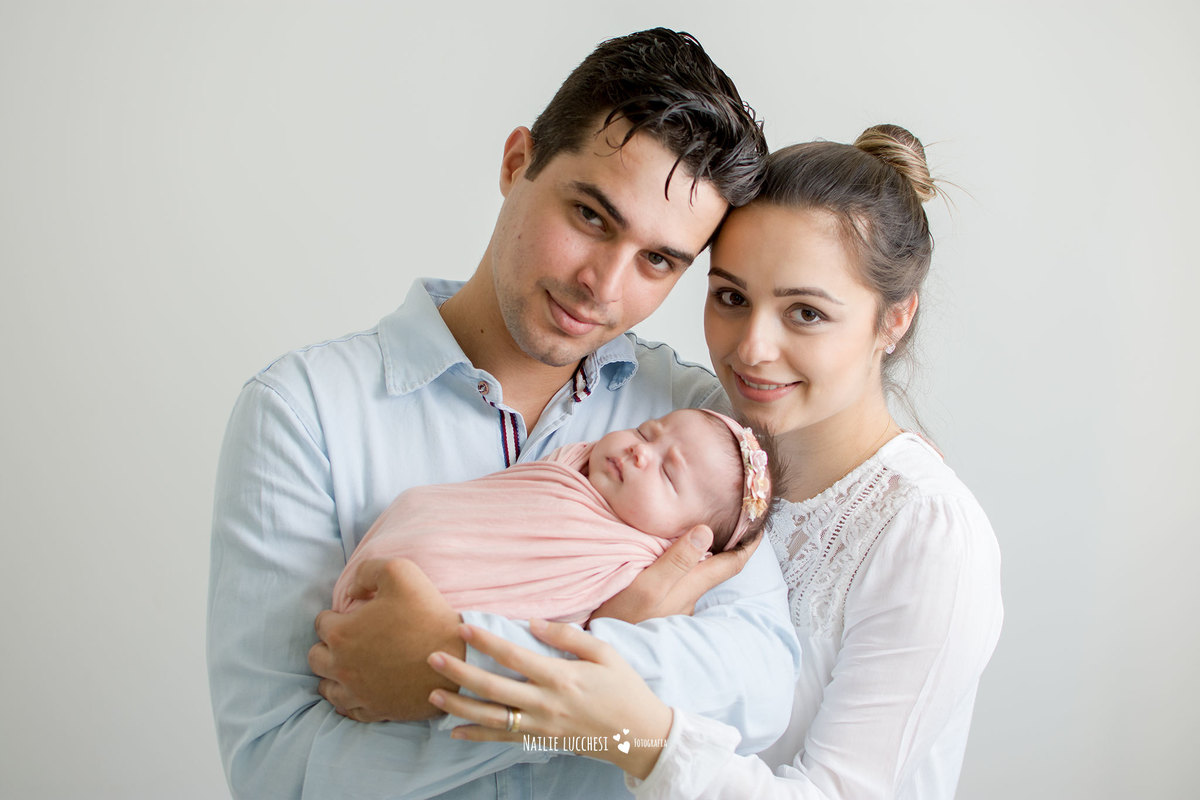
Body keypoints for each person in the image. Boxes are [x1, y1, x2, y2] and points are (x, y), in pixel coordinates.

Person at [207, 28, 801, 800]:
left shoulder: (694, 422)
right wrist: (608, 677)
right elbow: (280, 770)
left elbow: (759, 687)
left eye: (658, 261)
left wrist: (451, 664)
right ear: (517, 161)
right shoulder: (303, 414)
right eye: (591, 216)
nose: (604, 286)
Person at [424, 124, 1005, 799]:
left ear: (893, 320)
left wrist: (634, 734)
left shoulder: (928, 533)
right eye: (731, 297)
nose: (752, 348)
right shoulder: (688, 452)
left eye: (806, 313)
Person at [333, 408, 777, 625]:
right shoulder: (571, 464)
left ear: (689, 541)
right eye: (647, 432)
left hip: (433, 613)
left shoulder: (638, 567)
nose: (640, 451)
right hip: (414, 536)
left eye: (667, 472)